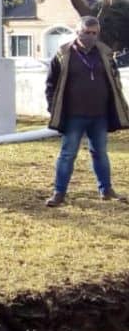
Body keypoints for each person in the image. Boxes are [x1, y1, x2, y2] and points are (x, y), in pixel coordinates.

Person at [44, 16, 129, 207]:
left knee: (100, 153)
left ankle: (106, 190)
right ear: (77, 32)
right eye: (86, 32)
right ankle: (59, 193)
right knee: (67, 154)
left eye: (94, 33)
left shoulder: (105, 54)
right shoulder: (63, 54)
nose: (90, 36)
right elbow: (51, 84)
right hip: (73, 115)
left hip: (99, 115)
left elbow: (115, 82)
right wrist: (53, 108)